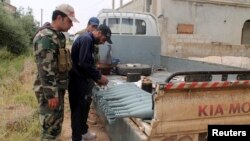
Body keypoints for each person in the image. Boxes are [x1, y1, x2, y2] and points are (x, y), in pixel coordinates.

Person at [33, 3, 79, 141]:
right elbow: (45, 69)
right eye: (70, 21)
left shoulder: (57, 36)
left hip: (57, 89)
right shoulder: (46, 37)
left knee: (55, 126)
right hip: (50, 92)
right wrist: (51, 95)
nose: (71, 25)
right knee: (50, 130)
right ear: (59, 18)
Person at [68, 24, 112, 141]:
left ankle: (83, 132)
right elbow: (84, 63)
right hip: (77, 82)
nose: (103, 42)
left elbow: (88, 63)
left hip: (83, 81)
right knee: (77, 111)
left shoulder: (90, 41)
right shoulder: (86, 39)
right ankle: (76, 138)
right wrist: (98, 77)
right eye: (104, 39)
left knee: (84, 108)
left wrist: (95, 77)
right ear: (99, 33)